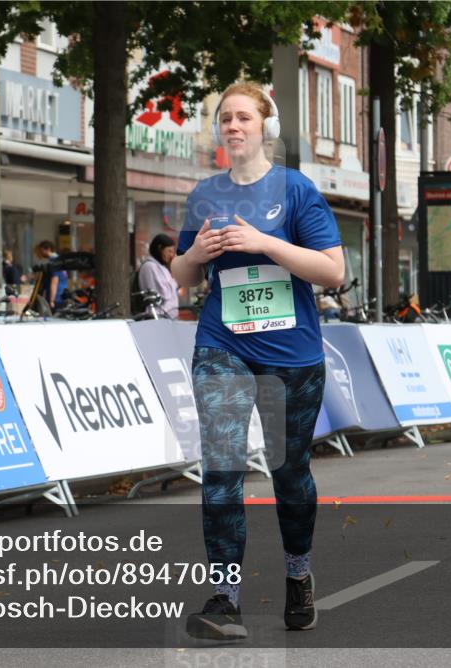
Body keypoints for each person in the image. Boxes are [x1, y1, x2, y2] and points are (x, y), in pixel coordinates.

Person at [172, 82, 344, 640]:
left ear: (264, 125)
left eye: (243, 116)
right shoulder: (204, 194)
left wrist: (265, 243)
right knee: (221, 469)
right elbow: (182, 276)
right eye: (225, 118)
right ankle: (226, 597)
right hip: (223, 344)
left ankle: (298, 573)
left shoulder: (295, 190)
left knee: (289, 473)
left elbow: (333, 272)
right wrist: (196, 254)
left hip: (291, 354)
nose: (234, 126)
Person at [137, 233, 180, 318]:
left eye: (173, 252)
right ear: (160, 248)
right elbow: (164, 294)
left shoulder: (162, 267)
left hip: (168, 316)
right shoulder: (150, 266)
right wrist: (176, 281)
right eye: (169, 251)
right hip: (158, 315)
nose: (171, 255)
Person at [34, 240, 68, 307]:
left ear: (48, 249)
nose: (40, 253)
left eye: (41, 250)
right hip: (61, 294)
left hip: (57, 297)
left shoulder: (54, 262)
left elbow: (54, 281)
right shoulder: (58, 259)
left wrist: (51, 300)